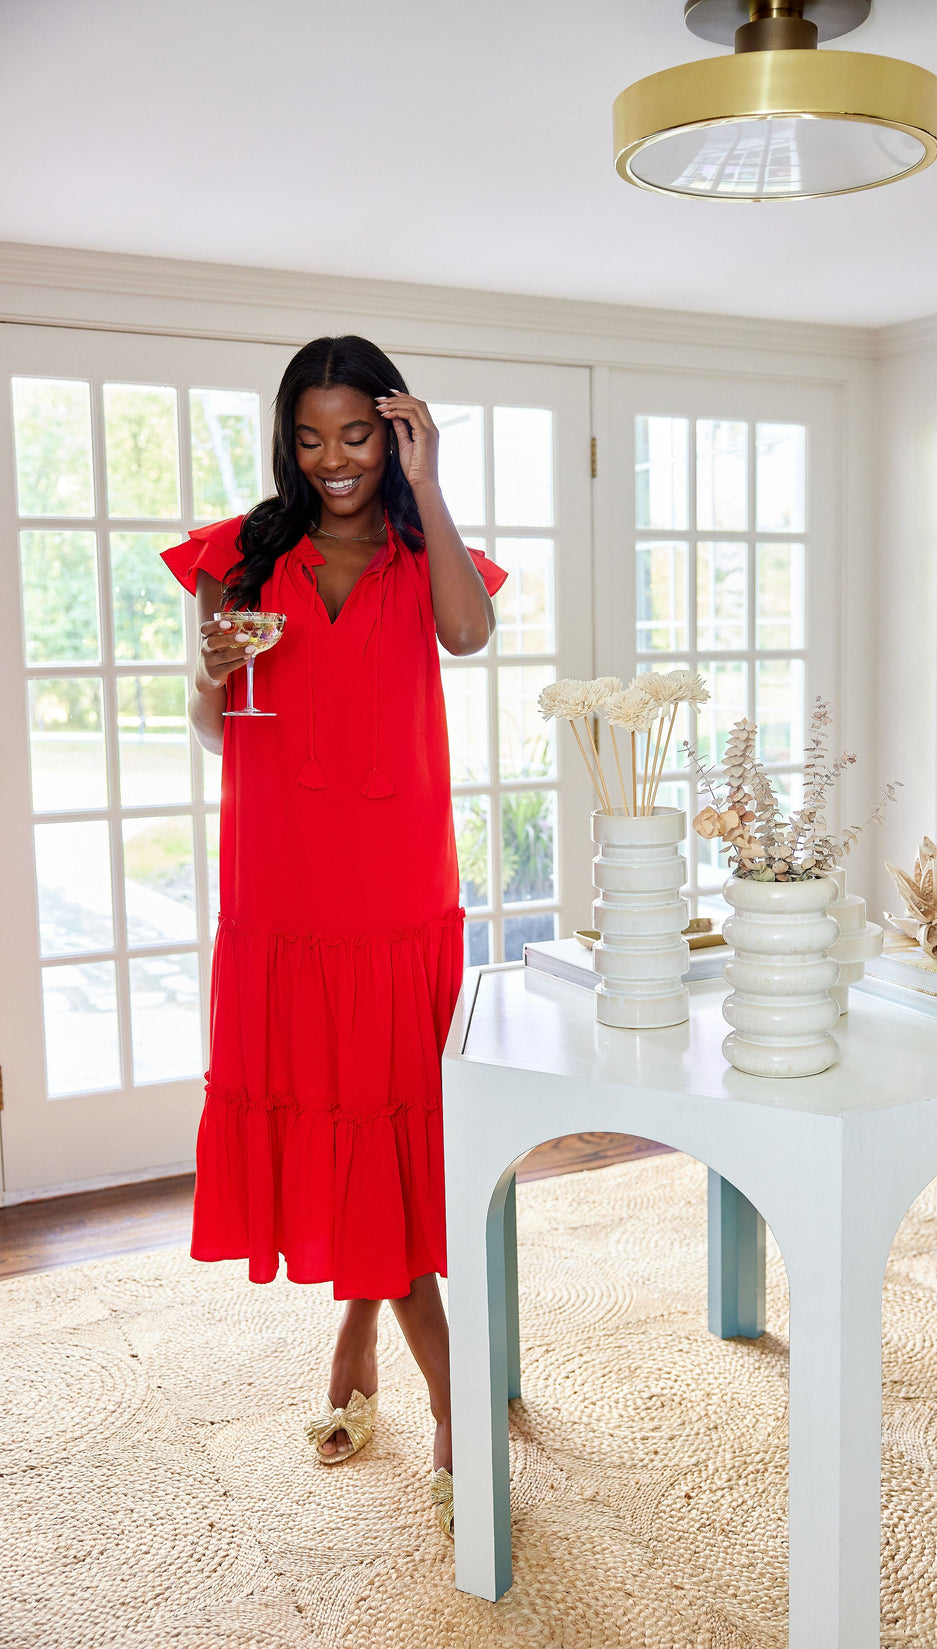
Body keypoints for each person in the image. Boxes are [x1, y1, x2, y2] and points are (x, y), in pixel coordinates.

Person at [162, 335, 506, 1537]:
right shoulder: (236, 557)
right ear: (285, 441)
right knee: (338, 1119)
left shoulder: (423, 553)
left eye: (357, 433)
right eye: (309, 437)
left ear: (393, 431)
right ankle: (401, 1359)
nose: (333, 460)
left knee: (388, 1128)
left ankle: (413, 1363)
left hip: (393, 895)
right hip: (282, 891)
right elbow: (212, 731)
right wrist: (209, 667)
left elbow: (468, 637)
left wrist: (435, 480)